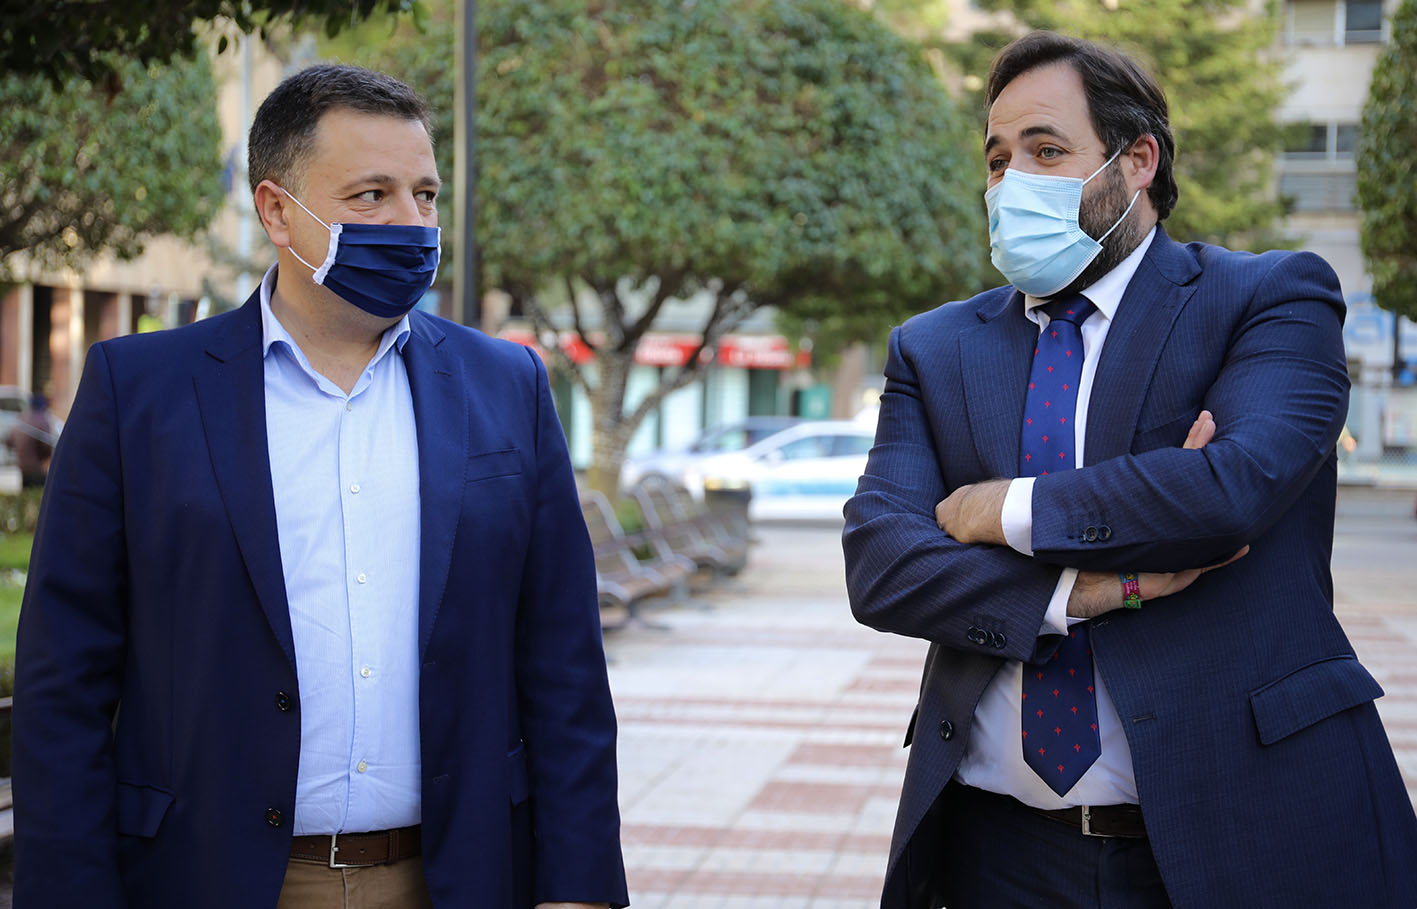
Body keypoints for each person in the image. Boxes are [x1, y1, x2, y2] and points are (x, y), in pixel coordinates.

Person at [13, 65, 628, 909]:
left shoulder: (506, 385)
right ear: (275, 211)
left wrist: (579, 888)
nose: (410, 224)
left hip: (458, 876)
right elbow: (65, 679)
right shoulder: (139, 391)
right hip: (211, 878)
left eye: (425, 194)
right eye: (371, 195)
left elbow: (563, 666)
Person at [843, 31, 1417, 909]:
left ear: (1135, 159)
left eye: (1044, 151)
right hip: (993, 850)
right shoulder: (933, 348)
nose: (1010, 184)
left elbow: (1229, 491)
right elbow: (881, 565)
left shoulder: (1265, 299)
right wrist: (1091, 590)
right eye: (997, 161)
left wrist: (998, 508)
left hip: (1245, 829)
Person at [6, 393, 55, 487]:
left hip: (23, 467)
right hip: (38, 469)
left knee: (27, 494)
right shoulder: (42, 420)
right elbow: (46, 445)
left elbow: (9, 441)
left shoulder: (21, 419)